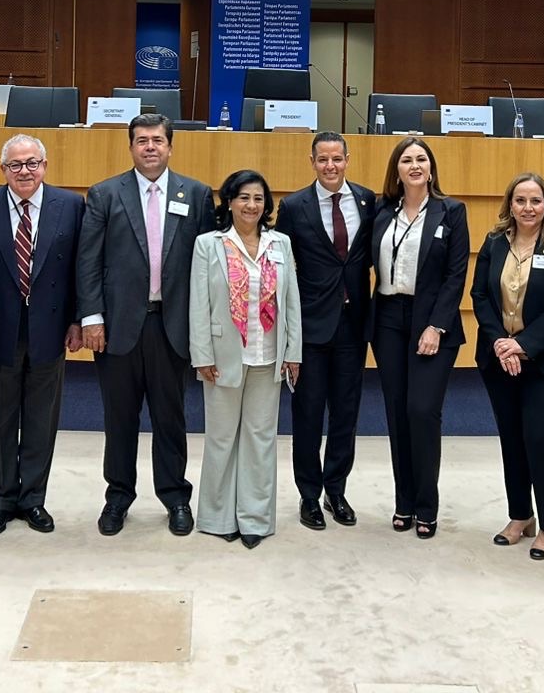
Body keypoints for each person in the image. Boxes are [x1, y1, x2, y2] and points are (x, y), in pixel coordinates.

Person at [77, 112, 217, 537]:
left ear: (170, 146)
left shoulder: (196, 194)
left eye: (157, 140)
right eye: (142, 140)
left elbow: (207, 266)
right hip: (117, 327)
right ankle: (118, 497)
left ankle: (175, 497)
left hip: (172, 326)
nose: (150, 147)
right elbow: (88, 261)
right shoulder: (104, 194)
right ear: (131, 147)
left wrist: (204, 328)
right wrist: (92, 318)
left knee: (170, 418)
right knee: (119, 419)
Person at [0, 134, 84, 537]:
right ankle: (1, 500)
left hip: (51, 328)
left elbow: (79, 268)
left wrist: (77, 320)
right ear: (3, 170)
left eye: (32, 163)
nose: (25, 171)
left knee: (41, 418)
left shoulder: (70, 205)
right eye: (15, 165)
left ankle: (33, 498)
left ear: (45, 166)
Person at [469, 172, 544, 560]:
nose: (528, 208)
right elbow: (480, 295)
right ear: (510, 205)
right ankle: (520, 516)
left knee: (539, 439)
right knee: (512, 439)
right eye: (520, 200)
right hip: (500, 360)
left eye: (535, 200)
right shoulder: (494, 242)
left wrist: (522, 345)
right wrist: (502, 343)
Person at [189, 170, 303, 547]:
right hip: (222, 356)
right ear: (229, 202)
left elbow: (291, 303)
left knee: (260, 439)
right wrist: (201, 354)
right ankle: (218, 516)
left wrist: (293, 352)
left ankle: (255, 518)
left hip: (268, 356)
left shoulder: (280, 244)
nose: (251, 205)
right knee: (221, 438)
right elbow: (198, 304)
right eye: (243, 197)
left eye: (258, 198)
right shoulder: (210, 244)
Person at [368, 136, 469, 540]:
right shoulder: (381, 211)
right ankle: (404, 502)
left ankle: (427, 505)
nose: (414, 165)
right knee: (396, 412)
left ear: (431, 168)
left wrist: (436, 325)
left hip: (432, 323)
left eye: (421, 159)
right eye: (406, 159)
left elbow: (456, 274)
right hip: (388, 319)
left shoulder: (451, 211)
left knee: (422, 411)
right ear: (396, 170)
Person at [274, 131, 375, 530]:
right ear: (312, 162)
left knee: (346, 414)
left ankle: (336, 489)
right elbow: (283, 269)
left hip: (353, 325)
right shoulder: (293, 206)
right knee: (308, 414)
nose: (330, 166)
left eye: (337, 159)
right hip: (310, 327)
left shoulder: (367, 201)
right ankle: (309, 495)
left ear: (347, 159)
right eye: (323, 159)